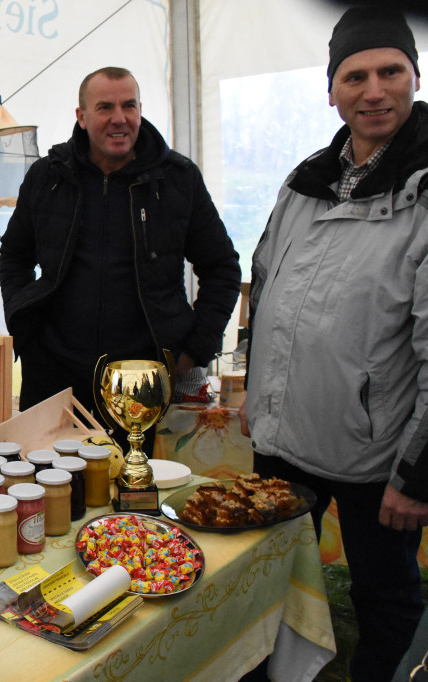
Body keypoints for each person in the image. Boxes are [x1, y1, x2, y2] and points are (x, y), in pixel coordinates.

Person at [242, 8, 428, 680]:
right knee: (266, 579)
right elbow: (261, 286)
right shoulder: (305, 181)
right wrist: (258, 393)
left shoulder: (424, 191)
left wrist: (418, 473)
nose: (373, 90)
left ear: (414, 77)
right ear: (331, 91)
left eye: (390, 72)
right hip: (285, 437)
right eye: (355, 75)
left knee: (385, 595)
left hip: (377, 455)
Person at [0, 66, 241, 432]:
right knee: (51, 485)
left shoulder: (178, 179)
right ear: (81, 117)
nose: (119, 119)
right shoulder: (48, 176)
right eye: (105, 107)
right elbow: (15, 255)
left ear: (140, 110)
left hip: (145, 381)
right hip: (54, 377)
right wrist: (28, 334)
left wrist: (192, 352)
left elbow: (222, 268)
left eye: (129, 106)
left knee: (139, 486)